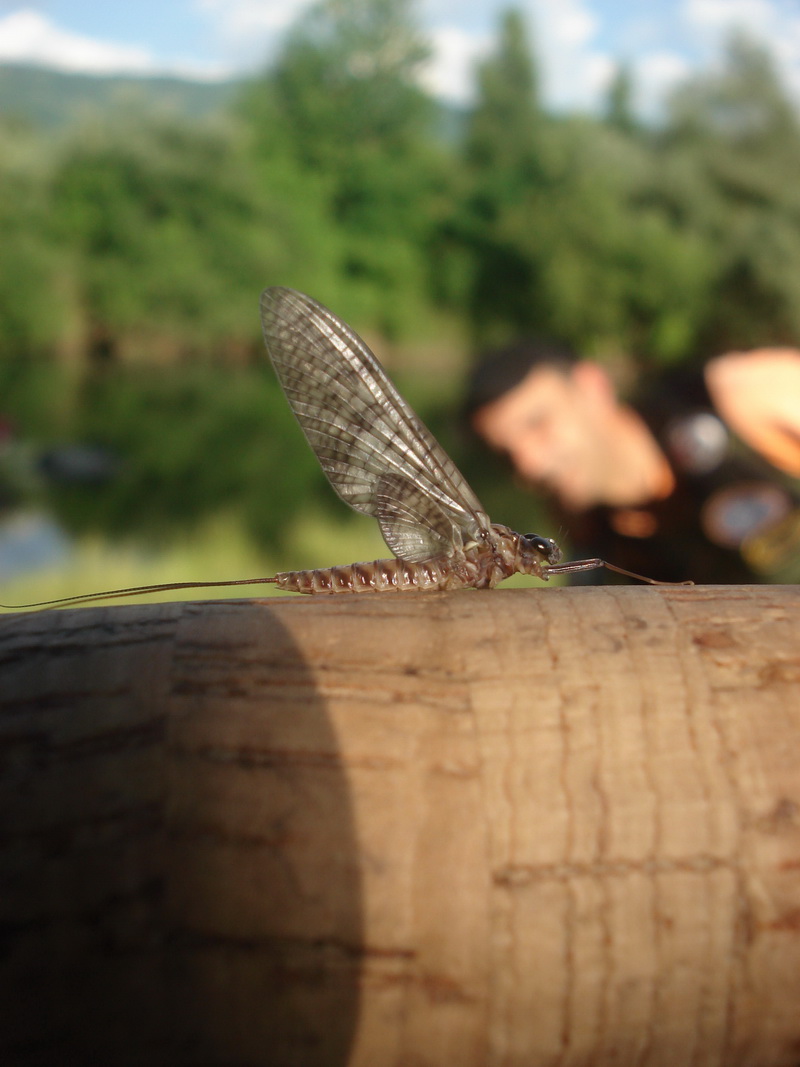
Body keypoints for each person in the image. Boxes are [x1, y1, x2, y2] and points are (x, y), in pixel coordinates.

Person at [466, 341, 800, 583]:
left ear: (592, 387)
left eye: (538, 422)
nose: (529, 466)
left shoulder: (740, 395)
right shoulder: (594, 555)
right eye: (506, 455)